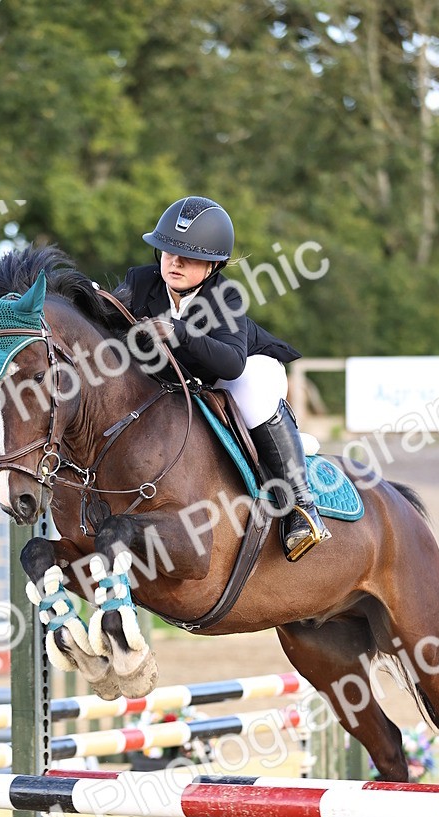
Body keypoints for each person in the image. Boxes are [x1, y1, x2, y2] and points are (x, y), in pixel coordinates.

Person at [116, 196, 329, 562]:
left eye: (188, 256)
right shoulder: (141, 282)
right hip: (185, 380)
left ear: (213, 264)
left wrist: (179, 331)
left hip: (247, 369)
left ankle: (301, 507)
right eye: (167, 252)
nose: (174, 262)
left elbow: (232, 364)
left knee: (248, 389)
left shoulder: (225, 296)